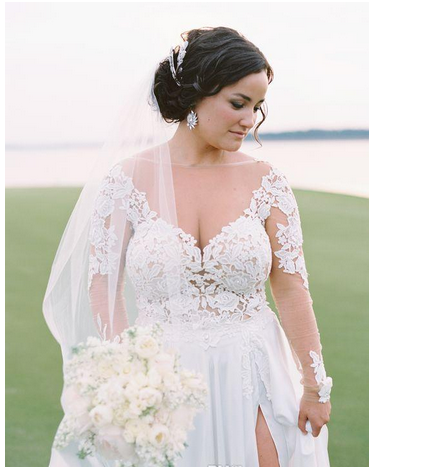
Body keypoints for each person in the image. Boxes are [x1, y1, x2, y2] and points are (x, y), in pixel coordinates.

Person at [44, 26, 333, 467]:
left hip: (252, 368)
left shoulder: (268, 181)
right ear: (196, 95)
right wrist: (127, 377)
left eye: (257, 107)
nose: (250, 119)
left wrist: (313, 386)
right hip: (163, 377)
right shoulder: (126, 180)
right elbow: (103, 288)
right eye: (238, 103)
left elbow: (292, 288)